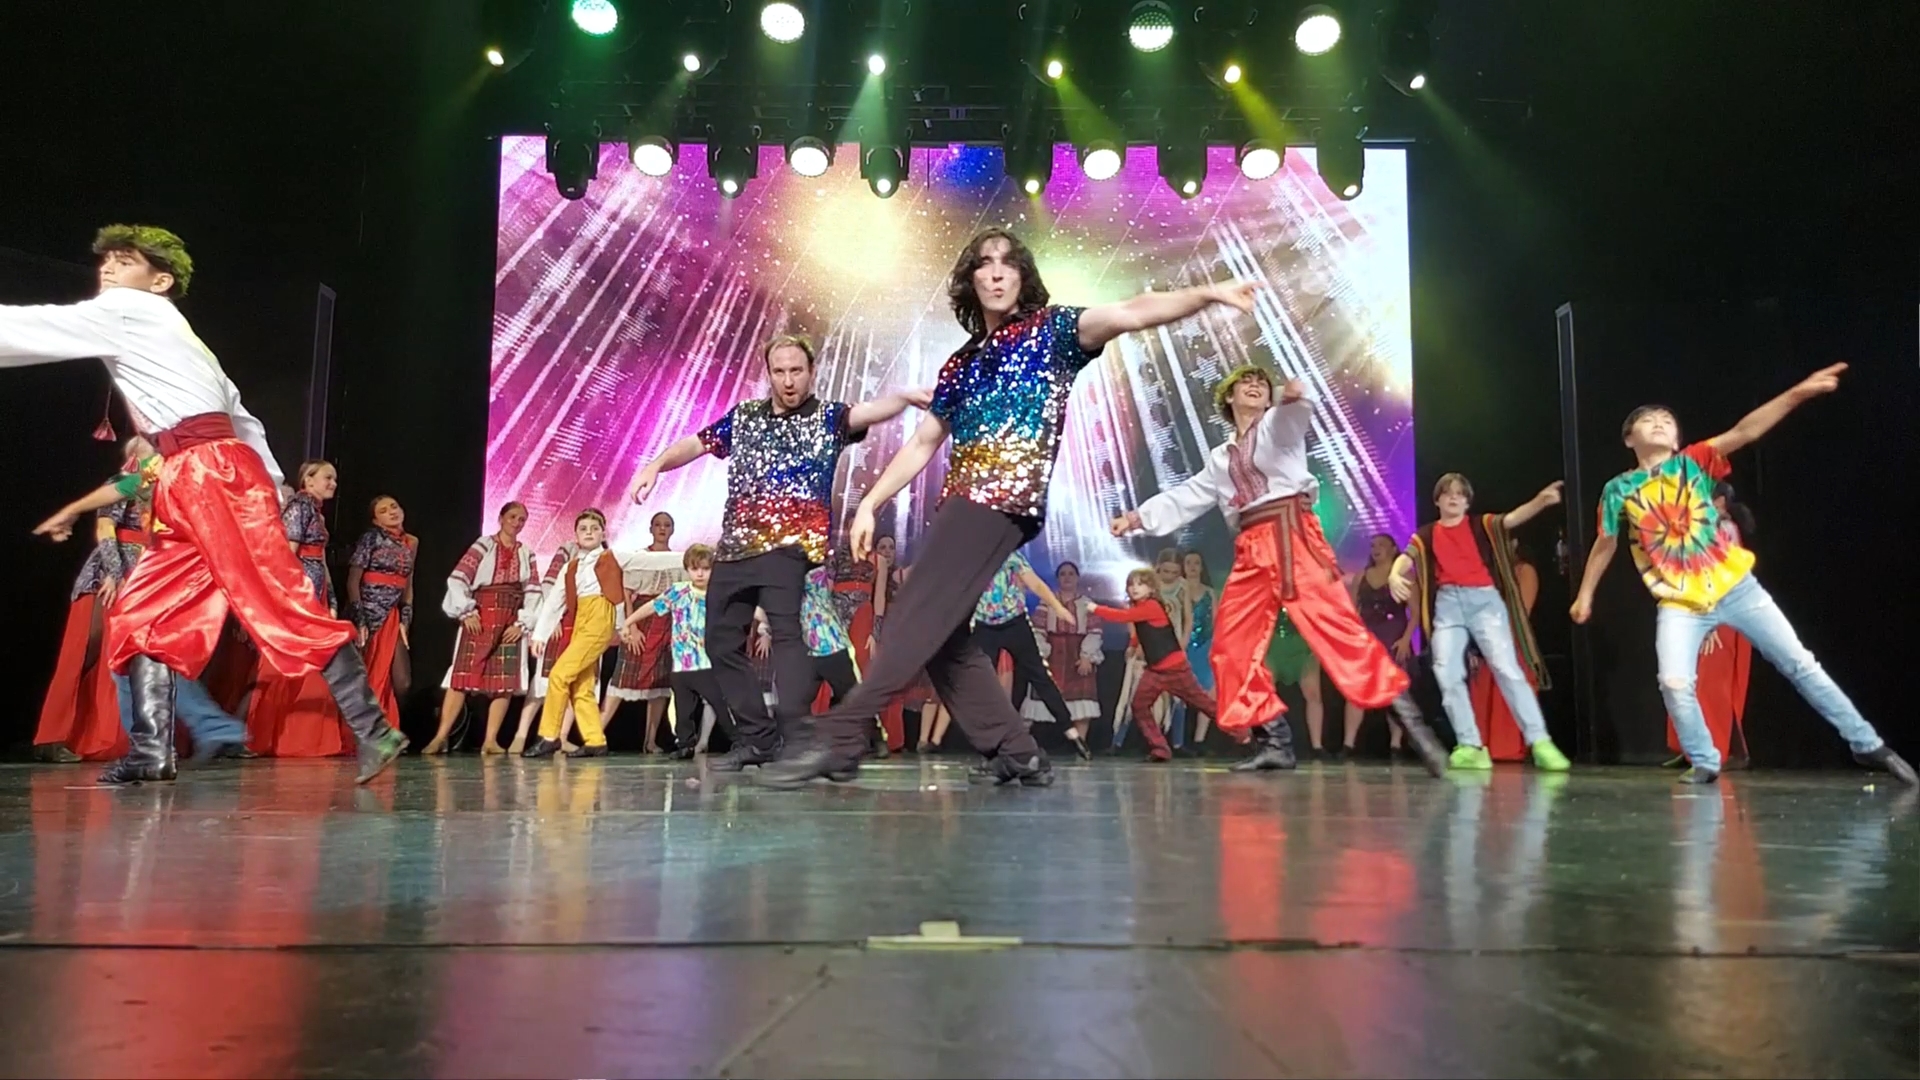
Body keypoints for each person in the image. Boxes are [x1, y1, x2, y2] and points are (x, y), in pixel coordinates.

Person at [757, 227, 1261, 788]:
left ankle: (842, 735)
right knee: (944, 639)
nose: (996, 272)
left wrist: (1208, 293)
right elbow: (924, 442)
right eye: (984, 263)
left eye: (1008, 262)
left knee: (914, 615)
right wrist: (870, 502)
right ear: (971, 280)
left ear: (1022, 276)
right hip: (962, 501)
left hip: (1002, 499)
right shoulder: (961, 363)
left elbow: (1132, 311)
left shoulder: (1054, 330)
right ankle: (1017, 751)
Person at [0, 225, 404, 783]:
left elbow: (31, 328)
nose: (108, 269)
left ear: (159, 281)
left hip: (209, 471)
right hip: (193, 475)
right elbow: (241, 415)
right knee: (142, 613)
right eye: (106, 260)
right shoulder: (184, 337)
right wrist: (272, 484)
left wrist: (261, 486)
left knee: (276, 601)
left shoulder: (130, 309)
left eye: (124, 260)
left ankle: (375, 730)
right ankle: (151, 752)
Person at [1571, 364, 1915, 786]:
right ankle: (1705, 760)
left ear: (1676, 439)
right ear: (1629, 439)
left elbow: (1746, 431)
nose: (1658, 422)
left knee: (1800, 663)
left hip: (1736, 588)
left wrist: (1798, 394)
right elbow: (1605, 543)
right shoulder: (1617, 490)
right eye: (1647, 420)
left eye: (1666, 420)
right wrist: (1585, 594)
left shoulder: (1694, 461)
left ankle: (1866, 743)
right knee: (1674, 682)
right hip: (1680, 601)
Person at [1111, 364, 1448, 777]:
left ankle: (1416, 730)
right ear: (1229, 397)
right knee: (1230, 648)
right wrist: (1136, 518)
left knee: (1338, 632)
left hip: (1293, 535)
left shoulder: (1276, 424)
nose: (1255, 385)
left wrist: (1294, 399)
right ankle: (1276, 741)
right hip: (1250, 546)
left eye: (1261, 383)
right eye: (1245, 382)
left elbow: (1293, 420)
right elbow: (1187, 496)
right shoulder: (1221, 458)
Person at [625, 334, 927, 771]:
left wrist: (902, 398)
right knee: (720, 643)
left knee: (787, 636)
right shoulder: (745, 416)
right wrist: (655, 465)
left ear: (811, 372)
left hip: (791, 547)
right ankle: (759, 739)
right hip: (735, 548)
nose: (788, 380)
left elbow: (868, 411)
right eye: (779, 371)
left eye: (796, 371)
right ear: (768, 373)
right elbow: (695, 443)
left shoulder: (827, 416)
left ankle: (797, 734)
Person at [33, 439, 249, 763]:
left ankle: (168, 738)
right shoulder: (128, 481)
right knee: (94, 658)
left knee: (144, 658)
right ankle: (58, 735)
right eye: (153, 452)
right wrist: (115, 573)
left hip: (152, 578)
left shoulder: (170, 484)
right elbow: (106, 528)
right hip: (116, 577)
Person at [1390, 474, 1571, 771]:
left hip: (1484, 601)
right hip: (1448, 604)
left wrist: (1540, 501)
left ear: (1467, 501)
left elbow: (1512, 518)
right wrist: (1395, 574)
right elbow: (1406, 557)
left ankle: (1540, 741)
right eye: (1447, 493)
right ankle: (1470, 745)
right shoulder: (1426, 534)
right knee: (1446, 671)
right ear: (1437, 500)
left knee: (1507, 668)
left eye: (1460, 494)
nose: (1454, 497)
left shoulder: (1480, 524)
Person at [245, 459, 354, 757]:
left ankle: (300, 735)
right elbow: (287, 555)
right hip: (300, 594)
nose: (333, 483)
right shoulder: (300, 506)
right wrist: (292, 598)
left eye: (334, 478)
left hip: (315, 594)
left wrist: (331, 600)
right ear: (308, 479)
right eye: (328, 477)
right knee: (290, 662)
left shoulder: (315, 512)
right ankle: (272, 735)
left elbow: (320, 561)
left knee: (312, 663)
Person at [425, 501, 541, 755]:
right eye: (512, 517)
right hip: (482, 613)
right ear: (501, 518)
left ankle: (490, 740)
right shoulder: (484, 545)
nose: (517, 523)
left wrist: (522, 623)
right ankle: (441, 736)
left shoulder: (526, 552)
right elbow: (458, 578)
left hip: (510, 617)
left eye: (522, 519)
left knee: (504, 682)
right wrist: (466, 612)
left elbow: (533, 590)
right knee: (462, 676)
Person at [1092, 569, 1218, 762]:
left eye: (1140, 584)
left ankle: (1244, 734)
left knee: (1203, 703)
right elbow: (1142, 631)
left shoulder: (1151, 606)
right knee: (1139, 705)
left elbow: (1122, 617)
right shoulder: (1139, 606)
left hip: (1175, 668)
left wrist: (1094, 608)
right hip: (1156, 670)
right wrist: (1133, 644)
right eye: (1131, 584)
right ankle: (1160, 749)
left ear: (1151, 588)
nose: (1134, 588)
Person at [525, 509, 623, 758]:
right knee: (581, 684)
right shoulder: (571, 567)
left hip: (600, 617)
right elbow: (554, 601)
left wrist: (622, 626)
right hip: (581, 619)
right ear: (576, 536)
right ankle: (595, 740)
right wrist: (540, 635)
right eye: (583, 529)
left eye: (594, 528)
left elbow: (622, 592)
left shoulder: (612, 558)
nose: (589, 532)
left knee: (559, 675)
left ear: (603, 533)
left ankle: (549, 736)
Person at [622, 545, 736, 758]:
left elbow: (743, 611)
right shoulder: (679, 591)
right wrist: (629, 621)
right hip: (681, 663)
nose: (700, 574)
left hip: (707, 662)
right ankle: (685, 744)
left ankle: (738, 741)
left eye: (705, 569)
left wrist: (765, 622)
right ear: (687, 569)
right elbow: (653, 606)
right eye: (695, 569)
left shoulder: (719, 594)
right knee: (683, 708)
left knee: (720, 704)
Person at [970, 550, 1076, 732]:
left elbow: (1035, 584)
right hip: (984, 625)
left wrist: (1058, 607)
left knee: (1038, 674)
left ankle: (1068, 727)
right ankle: (986, 733)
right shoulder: (970, 556)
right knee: (982, 681)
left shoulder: (1010, 555)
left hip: (1014, 621)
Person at [601, 511, 678, 752]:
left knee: (660, 683)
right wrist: (631, 625)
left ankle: (650, 740)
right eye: (658, 525)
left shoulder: (678, 560)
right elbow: (626, 593)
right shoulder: (640, 557)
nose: (662, 529)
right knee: (622, 677)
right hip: (640, 619)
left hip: (666, 622)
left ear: (672, 529)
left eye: (667, 525)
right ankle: (594, 735)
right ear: (651, 529)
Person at [1468, 536, 1545, 762]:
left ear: (1514, 543)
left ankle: (1506, 749)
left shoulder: (1524, 571)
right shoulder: (1490, 574)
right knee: (1481, 694)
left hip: (1511, 643)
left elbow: (1521, 613)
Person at [347, 495, 418, 733]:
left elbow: (408, 585)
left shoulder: (411, 542)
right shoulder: (371, 538)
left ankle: (386, 729)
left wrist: (405, 619)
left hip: (392, 616)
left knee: (402, 682)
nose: (392, 512)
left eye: (394, 507)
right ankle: (363, 733)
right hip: (368, 614)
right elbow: (353, 580)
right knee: (363, 678)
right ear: (376, 521)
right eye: (384, 511)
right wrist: (360, 619)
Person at [1019, 560, 1102, 758]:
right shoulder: (1048, 602)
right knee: (1037, 698)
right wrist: (1041, 653)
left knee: (1082, 705)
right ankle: (1020, 746)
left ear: (1077, 578)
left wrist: (1086, 656)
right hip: (1053, 654)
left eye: (1071, 574)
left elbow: (1095, 632)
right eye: (1063, 574)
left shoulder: (1086, 604)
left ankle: (1081, 747)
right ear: (1057, 578)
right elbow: (1038, 630)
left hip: (1077, 656)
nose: (1067, 578)